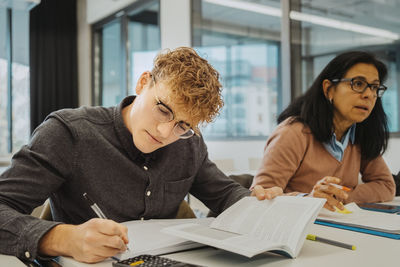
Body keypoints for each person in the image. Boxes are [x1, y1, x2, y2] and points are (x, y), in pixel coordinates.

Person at [0, 47, 282, 264]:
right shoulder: (69, 133)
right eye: (163, 109)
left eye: (183, 125)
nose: (164, 132)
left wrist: (261, 206)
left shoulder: (190, 144)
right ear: (143, 83)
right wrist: (61, 238)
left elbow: (225, 194)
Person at [251, 51, 395, 211]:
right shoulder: (293, 133)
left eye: (374, 87)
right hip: (297, 229)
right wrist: (310, 200)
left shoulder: (361, 133)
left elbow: (386, 185)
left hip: (340, 225)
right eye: (358, 84)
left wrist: (340, 196)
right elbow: (261, 196)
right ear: (329, 89)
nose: (369, 94)